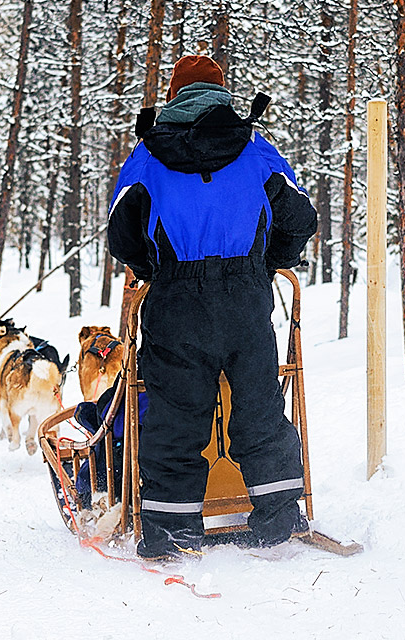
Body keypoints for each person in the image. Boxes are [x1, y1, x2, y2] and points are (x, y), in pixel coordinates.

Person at [106, 54, 317, 559]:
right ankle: (277, 514)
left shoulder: (148, 156)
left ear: (175, 94)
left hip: (176, 300)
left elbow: (120, 232)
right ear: (222, 92)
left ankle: (172, 527)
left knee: (176, 414)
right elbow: (301, 217)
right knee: (259, 405)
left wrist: (153, 268)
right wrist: (271, 262)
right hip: (245, 299)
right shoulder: (255, 150)